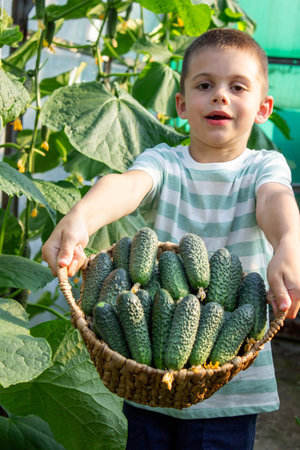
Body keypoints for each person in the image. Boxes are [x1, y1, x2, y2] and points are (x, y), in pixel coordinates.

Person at [42, 28, 300, 449]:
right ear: (182, 105)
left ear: (262, 108)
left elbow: (276, 199)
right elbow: (126, 185)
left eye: (237, 87)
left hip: (230, 389)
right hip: (148, 376)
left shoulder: (263, 168)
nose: (219, 96)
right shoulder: (163, 162)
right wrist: (81, 216)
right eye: (204, 85)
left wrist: (289, 241)